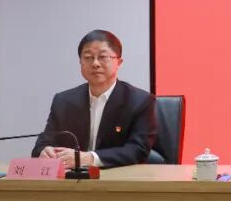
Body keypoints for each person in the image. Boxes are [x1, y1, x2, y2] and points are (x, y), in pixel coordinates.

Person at [32, 30, 156, 168]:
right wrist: (44, 151)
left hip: (118, 177)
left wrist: (90, 158)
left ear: (119, 62)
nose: (95, 63)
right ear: (80, 62)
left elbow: (138, 150)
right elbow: (42, 144)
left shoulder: (140, 101)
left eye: (103, 57)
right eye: (88, 57)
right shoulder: (63, 101)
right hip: (71, 178)